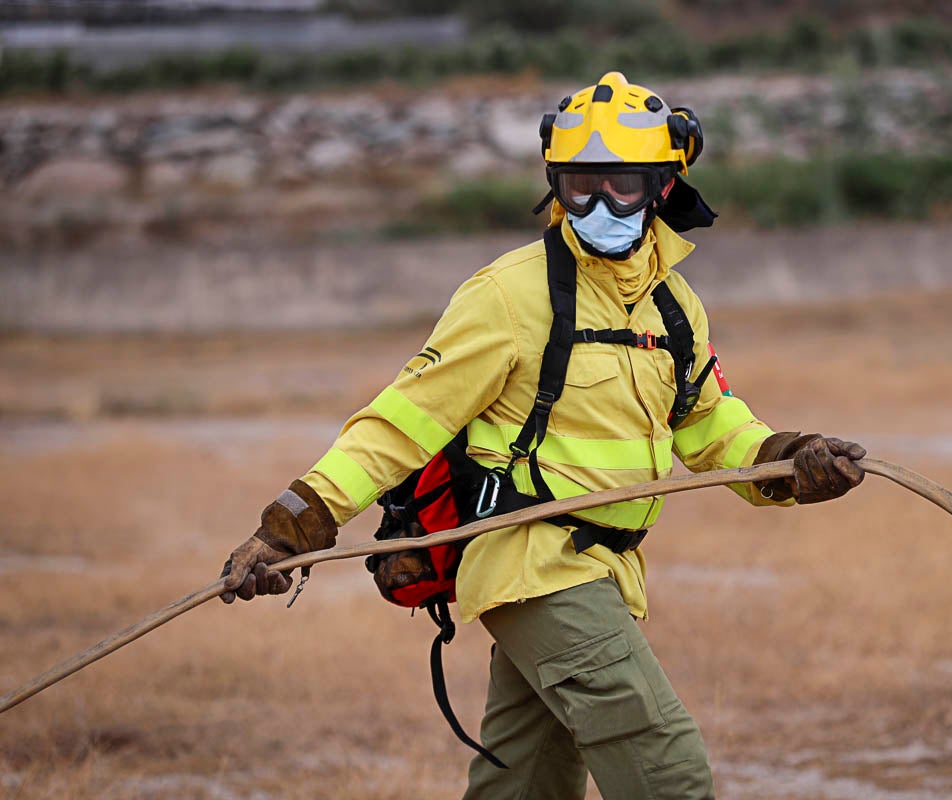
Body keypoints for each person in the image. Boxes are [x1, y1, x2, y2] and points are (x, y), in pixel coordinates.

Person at [219, 71, 866, 800]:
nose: (595, 202)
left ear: (662, 185)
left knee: (527, 784)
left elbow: (708, 422)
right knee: (667, 770)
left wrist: (787, 460)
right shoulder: (507, 294)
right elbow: (400, 422)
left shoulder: (674, 304)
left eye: (620, 182)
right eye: (577, 181)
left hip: (607, 573)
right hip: (533, 566)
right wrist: (292, 525)